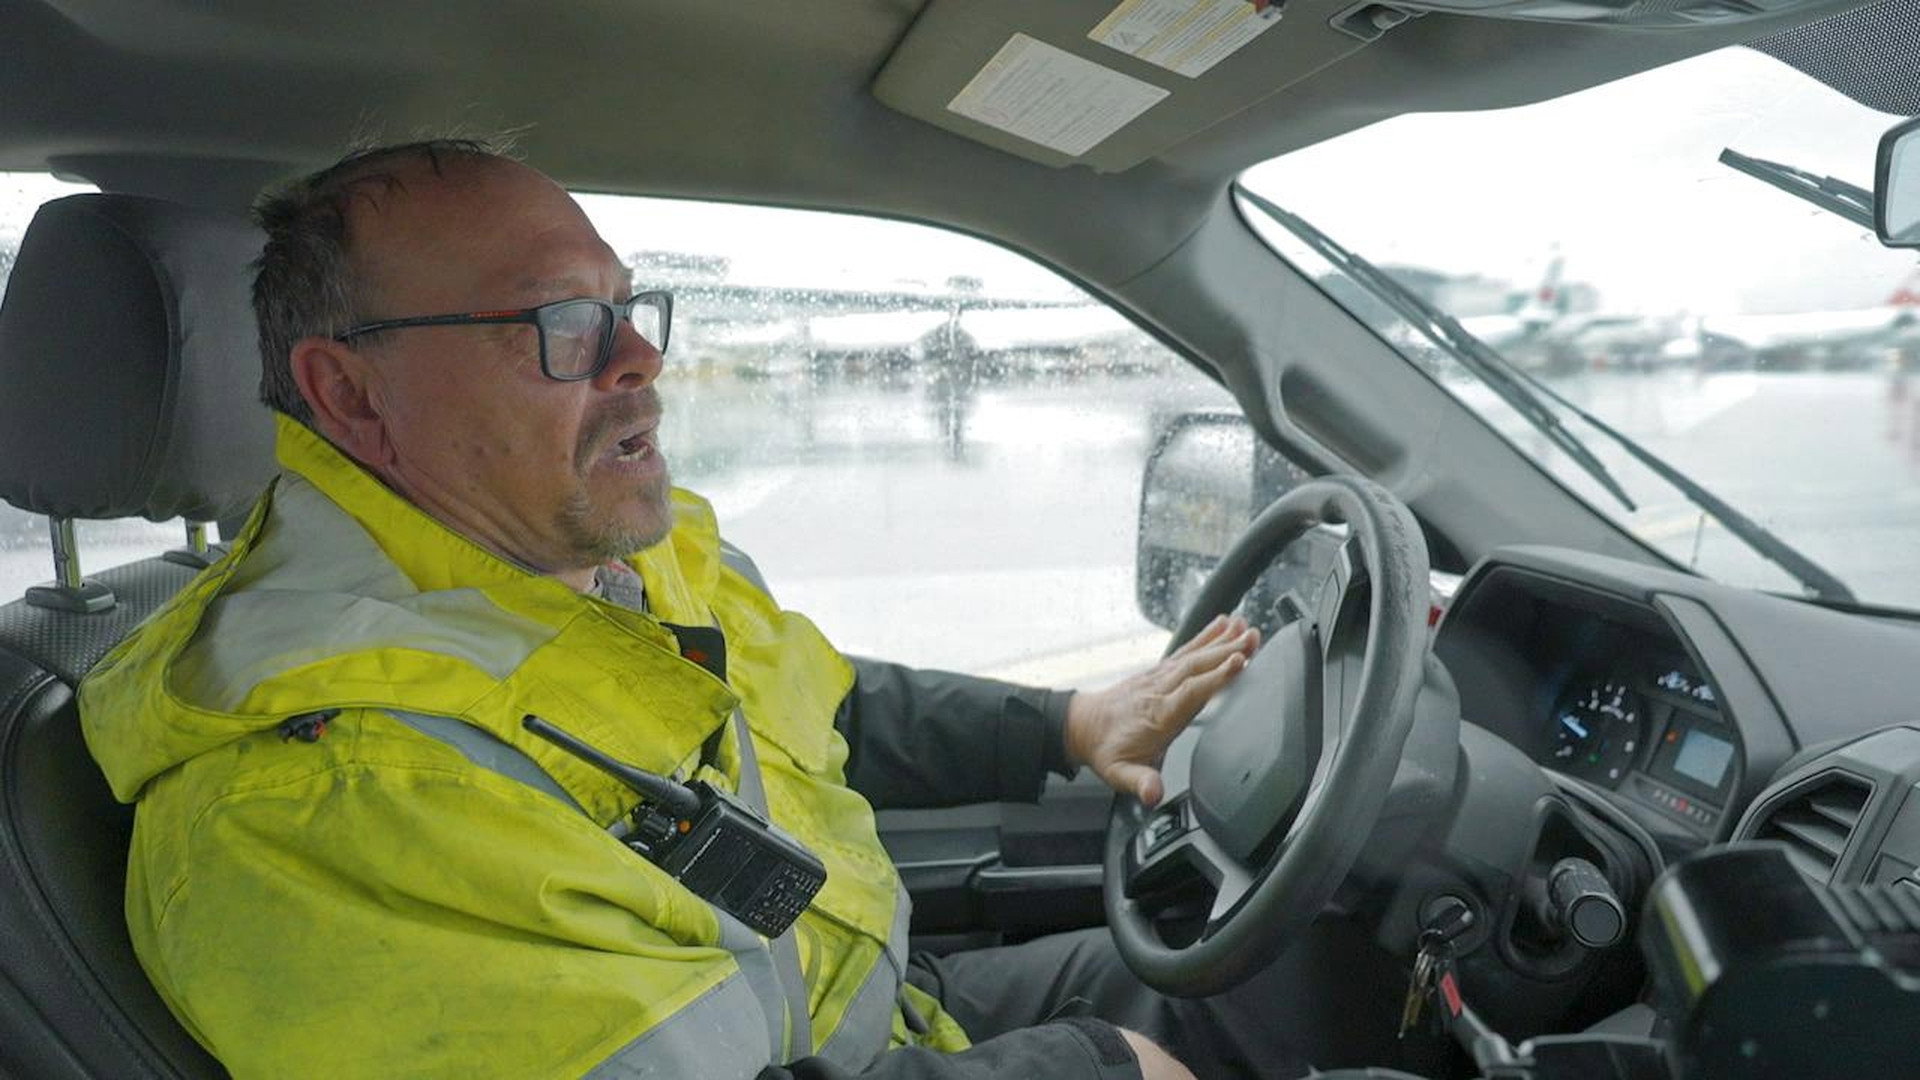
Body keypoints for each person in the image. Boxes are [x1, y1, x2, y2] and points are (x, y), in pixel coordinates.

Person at [79, 140, 1276, 1080]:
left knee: (1251, 978)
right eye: (558, 322)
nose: (638, 356)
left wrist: (1068, 724)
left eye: (627, 304)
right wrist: (1098, 1068)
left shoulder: (589, 555)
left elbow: (810, 704)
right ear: (350, 394)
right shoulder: (333, 793)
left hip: (869, 1013)